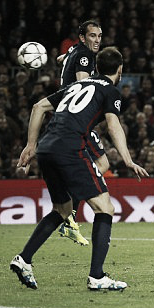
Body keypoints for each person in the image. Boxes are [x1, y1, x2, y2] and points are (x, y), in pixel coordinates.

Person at [11, 47, 149, 290]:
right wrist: (127, 159)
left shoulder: (76, 86)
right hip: (69, 148)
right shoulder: (110, 90)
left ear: (96, 67)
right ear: (120, 69)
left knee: (62, 209)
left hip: (47, 147)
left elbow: (38, 107)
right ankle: (97, 276)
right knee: (105, 207)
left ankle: (24, 259)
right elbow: (113, 124)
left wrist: (30, 145)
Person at [56, 20, 107, 246]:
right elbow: (83, 87)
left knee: (101, 163)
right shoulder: (85, 55)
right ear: (83, 38)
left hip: (65, 119)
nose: (97, 40)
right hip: (76, 122)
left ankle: (70, 216)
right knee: (101, 164)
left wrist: (65, 58)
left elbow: (65, 58)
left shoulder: (74, 51)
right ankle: (68, 217)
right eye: (93, 36)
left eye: (100, 36)